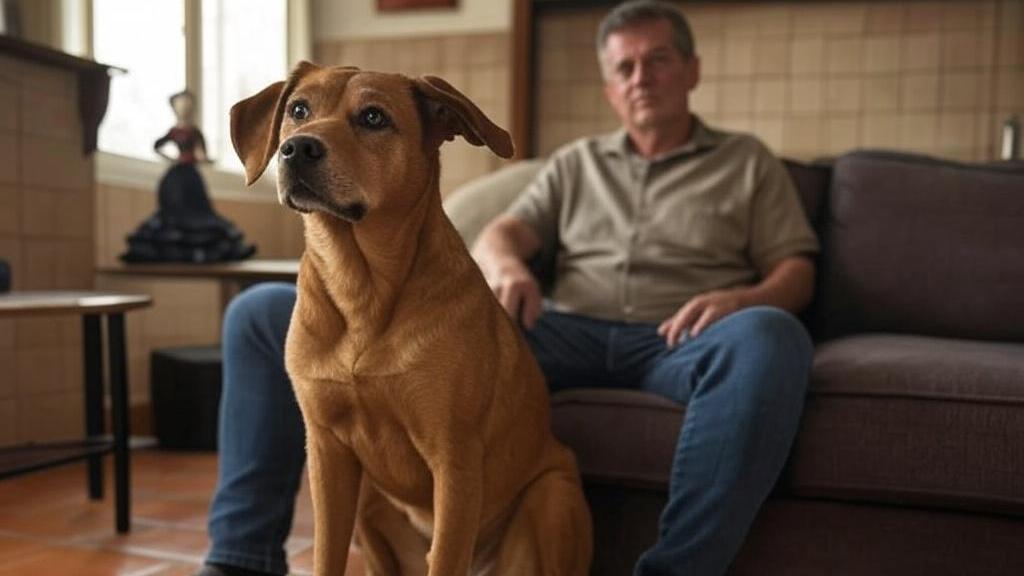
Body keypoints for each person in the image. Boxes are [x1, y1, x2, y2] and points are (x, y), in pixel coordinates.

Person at [195, 2, 818, 575]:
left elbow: (796, 266)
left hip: (679, 336)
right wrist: (511, 266)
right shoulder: (576, 163)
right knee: (258, 314)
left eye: (658, 60)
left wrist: (741, 301)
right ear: (609, 86)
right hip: (560, 326)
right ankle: (240, 557)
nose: (640, 77)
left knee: (771, 335)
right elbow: (506, 233)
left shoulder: (746, 162)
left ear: (691, 70)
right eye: (624, 66)